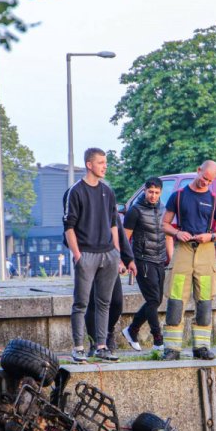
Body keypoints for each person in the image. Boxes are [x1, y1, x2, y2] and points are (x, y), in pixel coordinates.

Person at [161, 160, 216, 361]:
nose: (205, 183)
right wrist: (177, 233)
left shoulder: (215, 201)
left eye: (210, 181)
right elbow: (164, 224)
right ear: (198, 170)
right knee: (175, 299)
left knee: (205, 300)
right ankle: (171, 349)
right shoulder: (178, 196)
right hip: (183, 250)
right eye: (204, 178)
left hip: (206, 252)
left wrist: (211, 236)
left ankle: (201, 347)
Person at [63, 147, 125, 363]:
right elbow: (69, 227)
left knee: (104, 302)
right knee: (81, 303)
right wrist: (77, 255)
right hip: (86, 254)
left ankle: (101, 346)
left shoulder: (108, 191)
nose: (105, 166)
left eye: (105, 162)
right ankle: (79, 347)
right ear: (89, 165)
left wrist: (117, 253)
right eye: (101, 162)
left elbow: (113, 224)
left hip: (108, 254)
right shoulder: (75, 191)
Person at [122, 177, 174, 352]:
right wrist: (126, 261)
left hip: (160, 259)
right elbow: (125, 238)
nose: (153, 195)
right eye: (150, 192)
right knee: (152, 300)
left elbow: (168, 236)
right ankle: (158, 340)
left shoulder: (163, 209)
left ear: (161, 192)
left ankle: (132, 330)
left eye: (156, 192)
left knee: (156, 300)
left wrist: (171, 259)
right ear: (144, 190)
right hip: (142, 260)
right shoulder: (135, 211)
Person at [85, 211, 137, 356]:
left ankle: (108, 331)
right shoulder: (82, 199)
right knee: (93, 302)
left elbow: (120, 233)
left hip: (109, 258)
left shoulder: (108, 202)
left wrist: (127, 259)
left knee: (117, 302)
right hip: (89, 256)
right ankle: (94, 342)